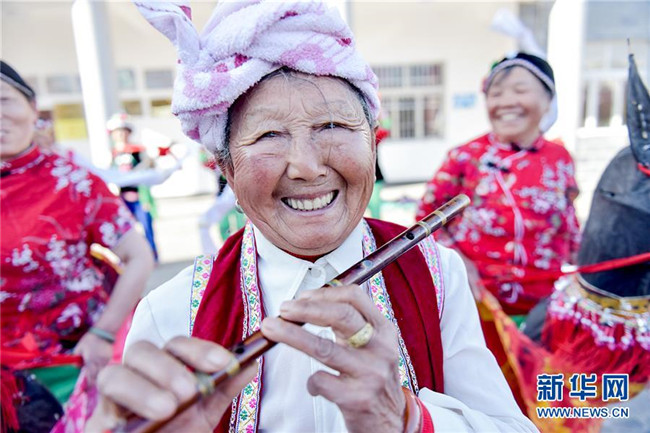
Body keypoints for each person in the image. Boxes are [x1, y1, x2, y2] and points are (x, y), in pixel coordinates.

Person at [88, 2, 537, 432]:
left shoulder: (436, 273)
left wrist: (407, 419)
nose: (306, 166)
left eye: (333, 126)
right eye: (269, 135)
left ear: (373, 144)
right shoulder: (169, 312)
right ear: (227, 170)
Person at [0, 60, 155, 431]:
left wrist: (104, 333)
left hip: (69, 370)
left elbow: (139, 257)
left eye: (3, 101)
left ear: (32, 108)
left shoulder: (73, 183)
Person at [416, 52, 581, 317]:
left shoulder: (560, 158)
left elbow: (569, 222)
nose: (506, 102)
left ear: (548, 100)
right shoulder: (464, 157)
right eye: (496, 93)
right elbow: (425, 220)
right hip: (477, 305)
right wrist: (458, 263)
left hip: (546, 307)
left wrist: (585, 267)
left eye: (520, 90)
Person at [107, 113, 160, 261]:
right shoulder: (111, 154)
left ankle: (152, 256)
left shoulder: (138, 151)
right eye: (118, 132)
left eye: (124, 131)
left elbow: (149, 168)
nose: (121, 135)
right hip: (121, 198)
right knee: (124, 230)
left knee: (146, 226)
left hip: (139, 196)